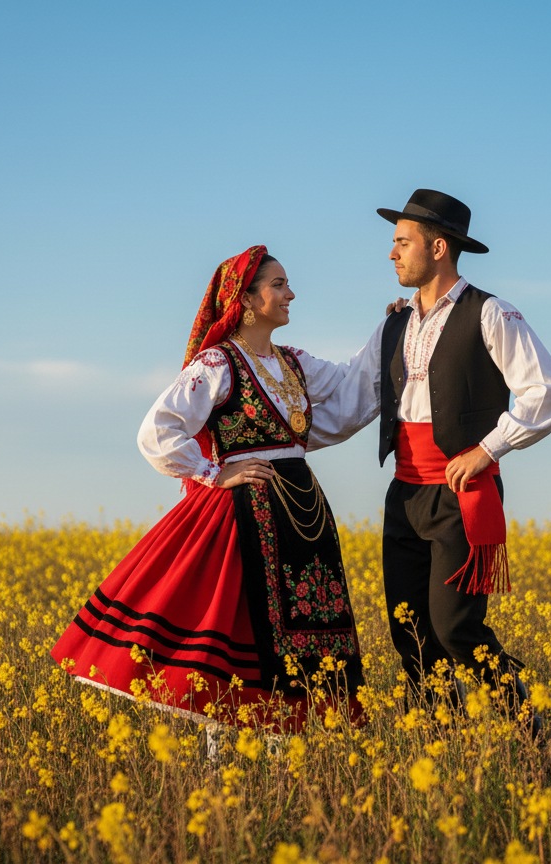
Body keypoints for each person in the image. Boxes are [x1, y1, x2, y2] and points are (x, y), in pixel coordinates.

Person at [50, 245, 364, 733]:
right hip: (245, 514)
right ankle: (226, 765)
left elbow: (353, 392)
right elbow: (158, 430)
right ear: (246, 297)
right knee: (242, 627)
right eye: (278, 285)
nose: (290, 294)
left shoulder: (294, 362)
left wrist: (398, 332)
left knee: (302, 629)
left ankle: (286, 754)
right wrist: (214, 472)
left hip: (302, 514)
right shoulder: (218, 363)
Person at [311, 190, 551, 726]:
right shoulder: (393, 325)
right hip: (403, 495)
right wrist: (276, 445)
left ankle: (529, 727)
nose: (392, 254)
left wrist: (488, 449)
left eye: (401, 243)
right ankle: (437, 743)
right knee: (410, 632)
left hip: (461, 495)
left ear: (438, 246)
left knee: (456, 630)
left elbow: (547, 391)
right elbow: (351, 403)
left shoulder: (490, 312)